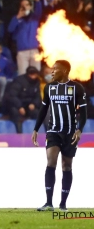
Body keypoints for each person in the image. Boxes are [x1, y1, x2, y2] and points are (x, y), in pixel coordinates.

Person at [32, 60, 87, 212]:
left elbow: (83, 113)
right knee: (51, 162)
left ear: (65, 71)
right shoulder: (50, 87)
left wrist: (79, 129)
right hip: (53, 131)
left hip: (70, 133)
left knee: (67, 166)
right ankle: (49, 202)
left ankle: (63, 204)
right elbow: (43, 110)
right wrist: (36, 129)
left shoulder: (77, 88)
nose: (52, 72)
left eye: (55, 69)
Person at [8, 0, 42, 75]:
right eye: (22, 6)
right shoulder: (16, 19)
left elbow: (39, 11)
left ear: (30, 6)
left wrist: (37, 0)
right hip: (22, 52)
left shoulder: (35, 18)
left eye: (27, 5)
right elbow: (10, 29)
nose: (25, 7)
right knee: (22, 75)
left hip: (34, 51)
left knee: (35, 75)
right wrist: (18, 17)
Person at [5, 66, 42, 133]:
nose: (33, 76)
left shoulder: (37, 82)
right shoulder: (19, 81)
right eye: (31, 74)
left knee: (37, 112)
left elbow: (38, 96)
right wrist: (19, 107)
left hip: (29, 105)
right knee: (14, 112)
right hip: (18, 105)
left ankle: (36, 132)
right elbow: (12, 96)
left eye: (35, 74)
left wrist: (34, 104)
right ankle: (19, 132)